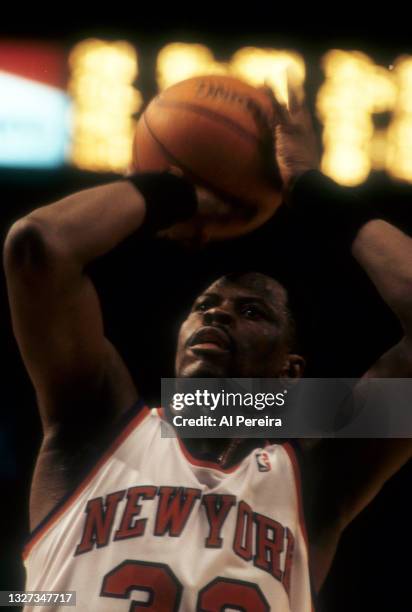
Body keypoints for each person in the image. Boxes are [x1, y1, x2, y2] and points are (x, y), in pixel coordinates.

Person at [4, 88, 412, 611]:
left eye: (251, 312)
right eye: (203, 305)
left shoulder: (313, 483)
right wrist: (177, 191)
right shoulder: (97, 427)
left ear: (290, 374)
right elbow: (39, 245)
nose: (216, 313)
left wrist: (313, 190)